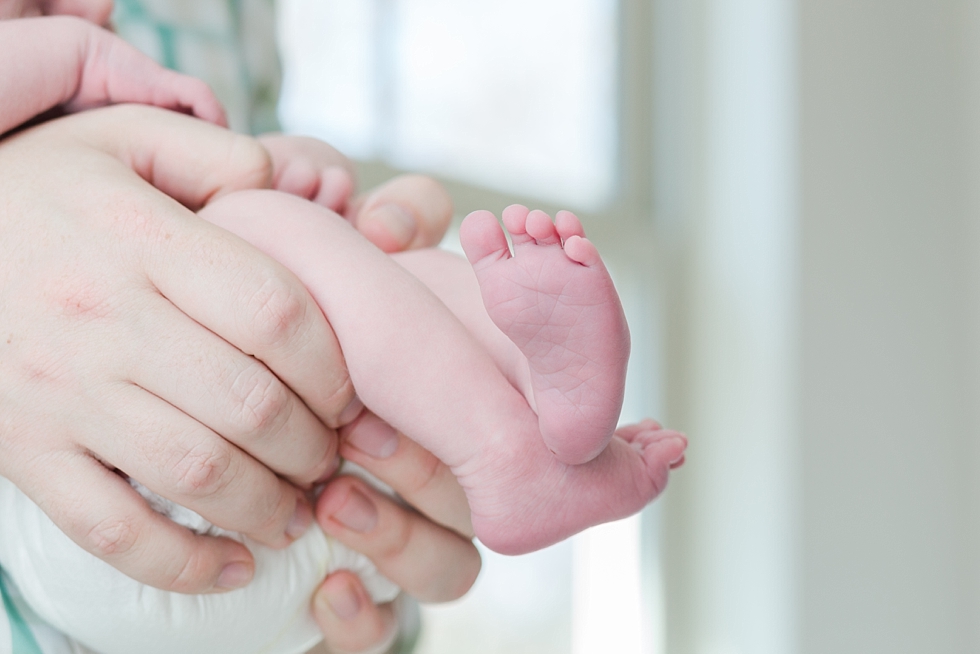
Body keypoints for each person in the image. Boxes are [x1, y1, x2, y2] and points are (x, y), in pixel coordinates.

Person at [0, 8, 480, 654]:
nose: (98, 9)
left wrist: (306, 198)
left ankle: (502, 415)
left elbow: (250, 219)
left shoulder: (229, 17)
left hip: (265, 523)